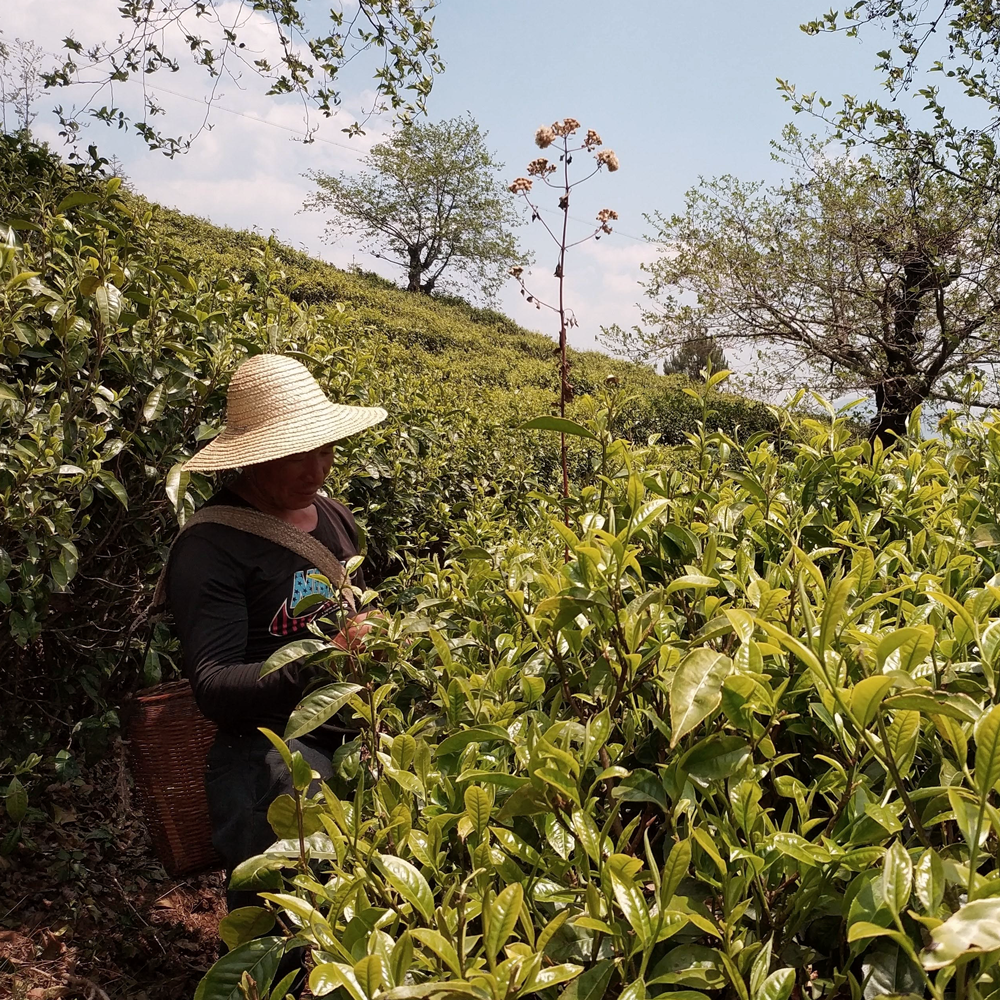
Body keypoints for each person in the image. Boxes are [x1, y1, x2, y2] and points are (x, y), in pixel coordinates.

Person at [164, 352, 387, 911]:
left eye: (324, 449)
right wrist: (327, 660)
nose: (316, 470)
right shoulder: (210, 547)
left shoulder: (334, 515)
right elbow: (214, 685)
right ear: (252, 460)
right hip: (270, 747)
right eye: (295, 456)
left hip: (354, 728)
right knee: (284, 920)